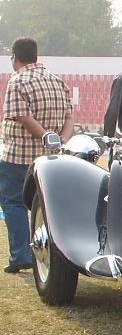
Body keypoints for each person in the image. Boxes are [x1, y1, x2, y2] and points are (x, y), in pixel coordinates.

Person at [0, 37, 74, 273]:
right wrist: (60, 139)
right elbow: (70, 117)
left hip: (19, 156)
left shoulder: (17, 81)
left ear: (15, 58)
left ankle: (20, 255)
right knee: (47, 207)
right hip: (50, 159)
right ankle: (55, 255)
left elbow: (23, 117)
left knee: (13, 203)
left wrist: (44, 135)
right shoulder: (57, 81)